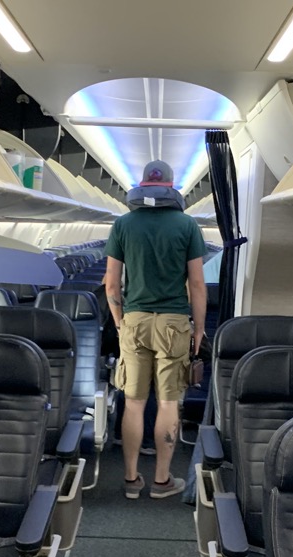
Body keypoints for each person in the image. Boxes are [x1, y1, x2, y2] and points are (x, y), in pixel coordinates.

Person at [104, 160, 207, 499]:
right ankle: (162, 481)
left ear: (142, 184)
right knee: (167, 403)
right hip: (174, 323)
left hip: (134, 321)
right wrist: (199, 330)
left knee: (133, 403)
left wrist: (120, 324)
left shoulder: (123, 224)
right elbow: (197, 284)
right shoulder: (187, 225)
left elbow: (112, 285)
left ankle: (131, 480)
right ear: (172, 187)